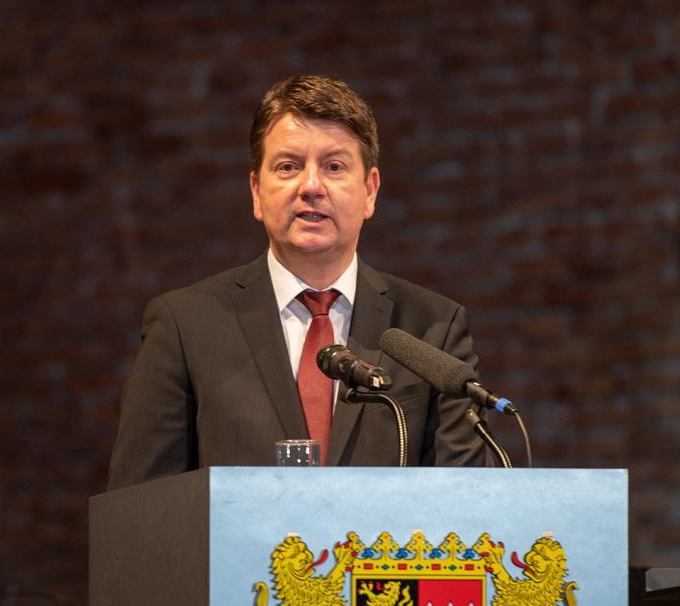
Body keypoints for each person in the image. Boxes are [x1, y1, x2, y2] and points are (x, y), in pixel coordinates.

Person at [108, 74, 484, 488]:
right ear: (256, 191)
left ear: (370, 191)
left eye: (334, 167)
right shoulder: (185, 327)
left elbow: (465, 502)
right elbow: (142, 507)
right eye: (288, 167)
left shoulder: (433, 329)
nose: (311, 186)